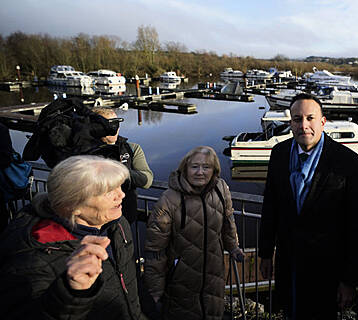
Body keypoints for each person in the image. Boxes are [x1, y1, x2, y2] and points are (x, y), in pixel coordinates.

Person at [258, 93, 358, 319]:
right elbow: (271, 206)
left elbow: (356, 224)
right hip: (289, 265)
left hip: (327, 269)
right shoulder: (279, 154)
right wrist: (266, 252)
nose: (304, 125)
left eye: (310, 118)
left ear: (323, 122)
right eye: (297, 119)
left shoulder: (346, 161)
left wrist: (349, 280)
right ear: (290, 124)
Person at [0, 155, 146, 319]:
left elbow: (132, 281)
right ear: (73, 206)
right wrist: (69, 293)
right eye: (108, 192)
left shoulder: (117, 224)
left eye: (120, 187)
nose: (122, 195)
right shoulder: (30, 259)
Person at [144, 146, 244, 320]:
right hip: (181, 279)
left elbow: (228, 221)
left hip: (214, 273)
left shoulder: (220, 189)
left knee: (213, 312)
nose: (200, 172)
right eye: (194, 167)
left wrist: (233, 247)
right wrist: (155, 289)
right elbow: (155, 251)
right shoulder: (168, 201)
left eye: (206, 167)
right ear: (185, 168)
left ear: (214, 170)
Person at [92, 107, 153, 224]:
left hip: (125, 218)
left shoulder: (132, 148)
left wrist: (119, 171)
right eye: (109, 124)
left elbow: (147, 181)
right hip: (95, 220)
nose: (115, 128)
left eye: (117, 123)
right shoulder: (85, 152)